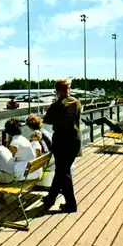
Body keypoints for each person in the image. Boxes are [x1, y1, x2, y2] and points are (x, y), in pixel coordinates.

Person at [42, 79, 82, 213]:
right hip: (75, 140)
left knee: (63, 173)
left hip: (62, 142)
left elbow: (46, 120)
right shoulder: (76, 102)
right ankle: (50, 199)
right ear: (68, 89)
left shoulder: (57, 105)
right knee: (61, 171)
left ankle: (71, 204)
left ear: (57, 91)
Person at [4, 118, 40, 182]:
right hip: (35, 170)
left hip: (28, 173)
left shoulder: (14, 143)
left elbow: (6, 159)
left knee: (3, 170)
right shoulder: (23, 139)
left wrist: (9, 141)